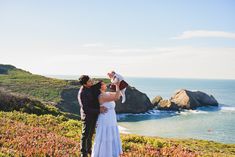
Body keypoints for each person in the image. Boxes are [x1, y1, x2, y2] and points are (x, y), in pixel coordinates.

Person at [78, 75, 108, 157]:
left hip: (94, 114)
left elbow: (99, 84)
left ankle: (89, 150)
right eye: (89, 81)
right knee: (85, 134)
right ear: (84, 84)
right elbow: (86, 109)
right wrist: (99, 110)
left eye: (91, 80)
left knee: (90, 134)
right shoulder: (82, 93)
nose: (91, 82)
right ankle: (83, 153)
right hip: (87, 116)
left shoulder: (90, 87)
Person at [91, 80, 123, 157]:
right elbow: (117, 97)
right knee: (105, 136)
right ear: (100, 87)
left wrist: (116, 84)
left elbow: (120, 94)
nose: (105, 84)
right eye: (103, 84)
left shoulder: (106, 94)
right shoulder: (101, 96)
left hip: (111, 118)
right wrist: (117, 85)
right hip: (105, 119)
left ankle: (111, 154)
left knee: (110, 135)